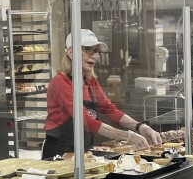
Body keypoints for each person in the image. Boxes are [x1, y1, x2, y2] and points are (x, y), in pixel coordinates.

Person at [42, 29, 161, 159]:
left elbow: (110, 109)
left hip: (84, 150)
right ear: (71, 52)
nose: (94, 56)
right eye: (88, 50)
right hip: (60, 152)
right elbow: (85, 121)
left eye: (96, 51)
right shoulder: (60, 83)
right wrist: (127, 136)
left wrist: (140, 127)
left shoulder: (90, 81)